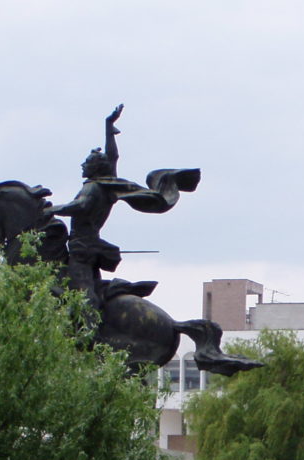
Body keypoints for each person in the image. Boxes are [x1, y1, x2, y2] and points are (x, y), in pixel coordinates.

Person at [48, 104, 198, 311]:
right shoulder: (107, 184)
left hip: (82, 248)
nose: (83, 165)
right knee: (89, 285)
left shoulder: (93, 187)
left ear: (95, 168)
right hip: (89, 245)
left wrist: (51, 209)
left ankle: (88, 327)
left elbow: (80, 206)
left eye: (87, 162)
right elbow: (112, 157)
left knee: (82, 293)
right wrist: (109, 128)